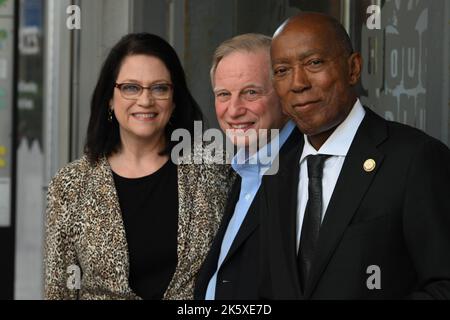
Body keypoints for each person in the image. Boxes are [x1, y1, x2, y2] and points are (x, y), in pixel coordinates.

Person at [259, 12, 450, 299]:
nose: (298, 83)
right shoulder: (275, 171)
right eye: (282, 70)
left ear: (353, 68)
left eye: (314, 63)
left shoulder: (415, 159)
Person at [44, 33, 234, 300]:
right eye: (131, 87)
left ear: (174, 98)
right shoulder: (71, 184)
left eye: (159, 88)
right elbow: (59, 291)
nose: (145, 101)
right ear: (110, 98)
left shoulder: (212, 167)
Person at [194, 33, 294, 300]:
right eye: (223, 95)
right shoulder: (242, 169)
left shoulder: (307, 169)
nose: (234, 109)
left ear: (284, 97)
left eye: (251, 92)